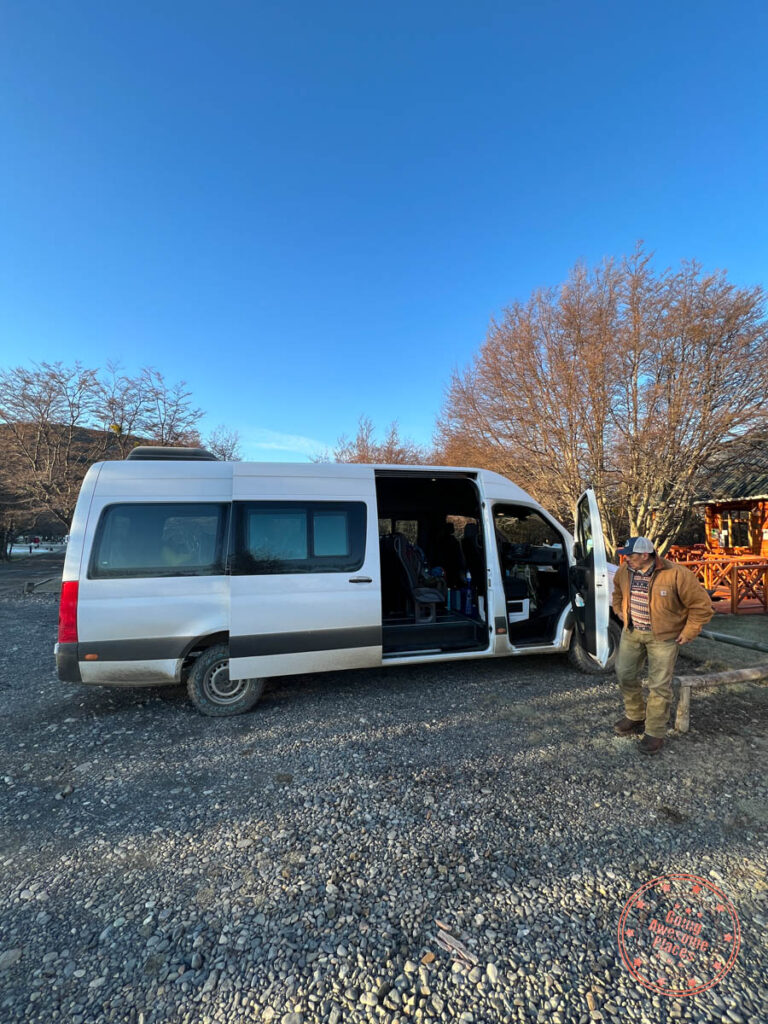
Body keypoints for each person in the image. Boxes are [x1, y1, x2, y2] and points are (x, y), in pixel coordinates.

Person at [611, 537, 713, 755]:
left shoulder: (677, 574)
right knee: (625, 674)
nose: (626, 558)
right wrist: (619, 609)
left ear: (645, 555)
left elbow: (702, 606)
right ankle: (636, 715)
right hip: (631, 633)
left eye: (630, 555)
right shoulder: (624, 571)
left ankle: (655, 732)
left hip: (664, 638)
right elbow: (617, 593)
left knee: (658, 685)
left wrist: (689, 631)